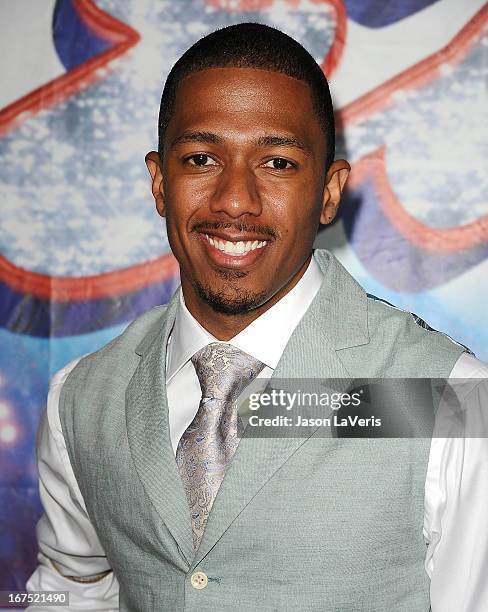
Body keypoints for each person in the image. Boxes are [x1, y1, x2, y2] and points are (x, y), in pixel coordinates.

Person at [26, 22, 488, 612]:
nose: (235, 200)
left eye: (276, 163)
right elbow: (64, 591)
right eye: (200, 158)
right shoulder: (81, 398)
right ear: (159, 182)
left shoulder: (447, 398)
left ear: (328, 190)